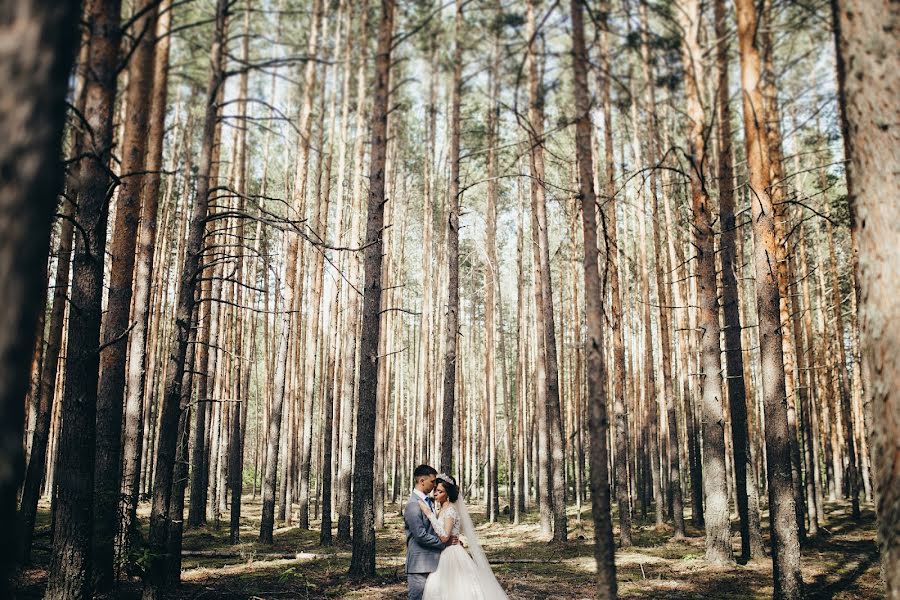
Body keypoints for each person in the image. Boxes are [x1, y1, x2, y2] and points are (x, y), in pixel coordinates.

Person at [418, 473, 508, 600]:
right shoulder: (442, 508)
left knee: (456, 589)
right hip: (445, 551)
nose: (435, 494)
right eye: (435, 490)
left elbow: (444, 537)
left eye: (440, 491)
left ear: (447, 494)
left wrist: (429, 514)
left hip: (451, 554)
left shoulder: (450, 510)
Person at [404, 464, 449, 600]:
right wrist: (444, 544)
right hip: (419, 565)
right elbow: (420, 535)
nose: (435, 485)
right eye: (432, 481)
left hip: (432, 562)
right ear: (422, 481)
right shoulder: (413, 504)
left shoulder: (428, 501)